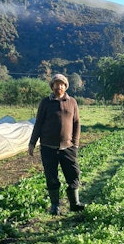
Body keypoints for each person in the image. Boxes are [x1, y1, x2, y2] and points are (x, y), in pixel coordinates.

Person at [28, 73, 85, 215]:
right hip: (48, 146)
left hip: (68, 146)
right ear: (52, 86)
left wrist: (75, 143)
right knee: (51, 176)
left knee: (73, 174)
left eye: (62, 84)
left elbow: (77, 122)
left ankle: (74, 203)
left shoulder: (72, 102)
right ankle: (55, 206)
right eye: (56, 84)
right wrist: (32, 143)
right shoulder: (45, 102)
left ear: (65, 86)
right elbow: (39, 123)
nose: (59, 86)